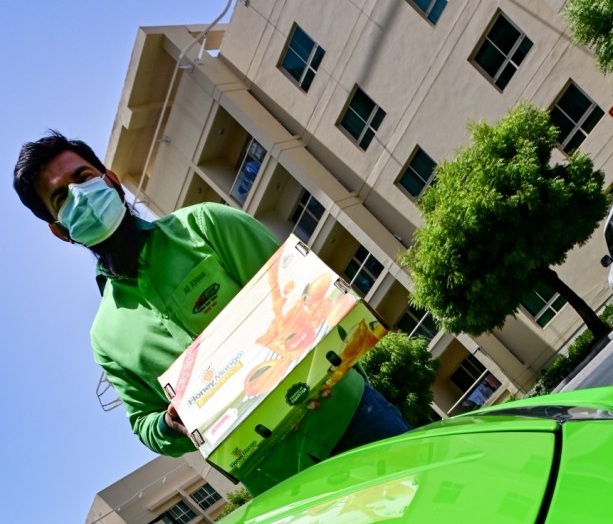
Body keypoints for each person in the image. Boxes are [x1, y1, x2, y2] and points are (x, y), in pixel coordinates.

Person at [13, 132, 410, 494]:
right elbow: (144, 425)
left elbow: (301, 291)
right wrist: (171, 424)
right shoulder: (106, 337)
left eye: (83, 177)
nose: (80, 194)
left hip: (353, 419)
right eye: (61, 197)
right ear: (60, 229)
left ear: (112, 180)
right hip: (278, 482)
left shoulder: (206, 225)